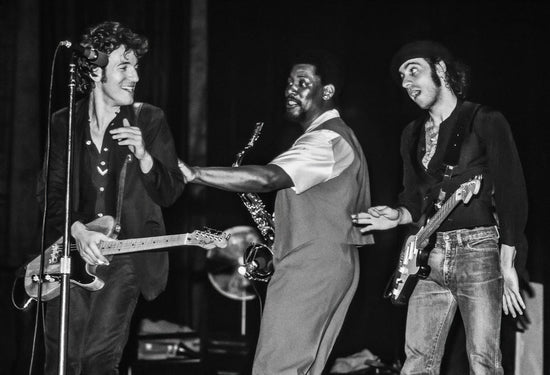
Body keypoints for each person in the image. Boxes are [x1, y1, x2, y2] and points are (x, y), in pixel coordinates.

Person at [179, 51, 374, 374]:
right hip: (331, 262)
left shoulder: (325, 140)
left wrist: (194, 173)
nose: (290, 90)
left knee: (275, 368)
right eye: (288, 83)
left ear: (327, 92)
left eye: (302, 82)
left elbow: (268, 178)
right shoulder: (335, 136)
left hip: (311, 262)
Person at [352, 40, 527, 374]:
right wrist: (397, 215)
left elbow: (512, 192)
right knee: (417, 360)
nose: (406, 83)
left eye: (413, 70)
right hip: (427, 255)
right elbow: (413, 198)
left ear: (441, 70)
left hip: (478, 249)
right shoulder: (411, 133)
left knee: (483, 361)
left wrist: (509, 261)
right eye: (401, 77)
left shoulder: (484, 119)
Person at [39, 21, 184, 374]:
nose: (134, 76)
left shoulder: (149, 119)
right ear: (95, 71)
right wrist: (76, 230)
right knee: (63, 359)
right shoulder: (65, 122)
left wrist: (146, 157)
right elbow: (50, 193)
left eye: (136, 67)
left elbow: (171, 191)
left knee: (98, 359)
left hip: (126, 255)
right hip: (73, 251)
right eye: (124, 66)